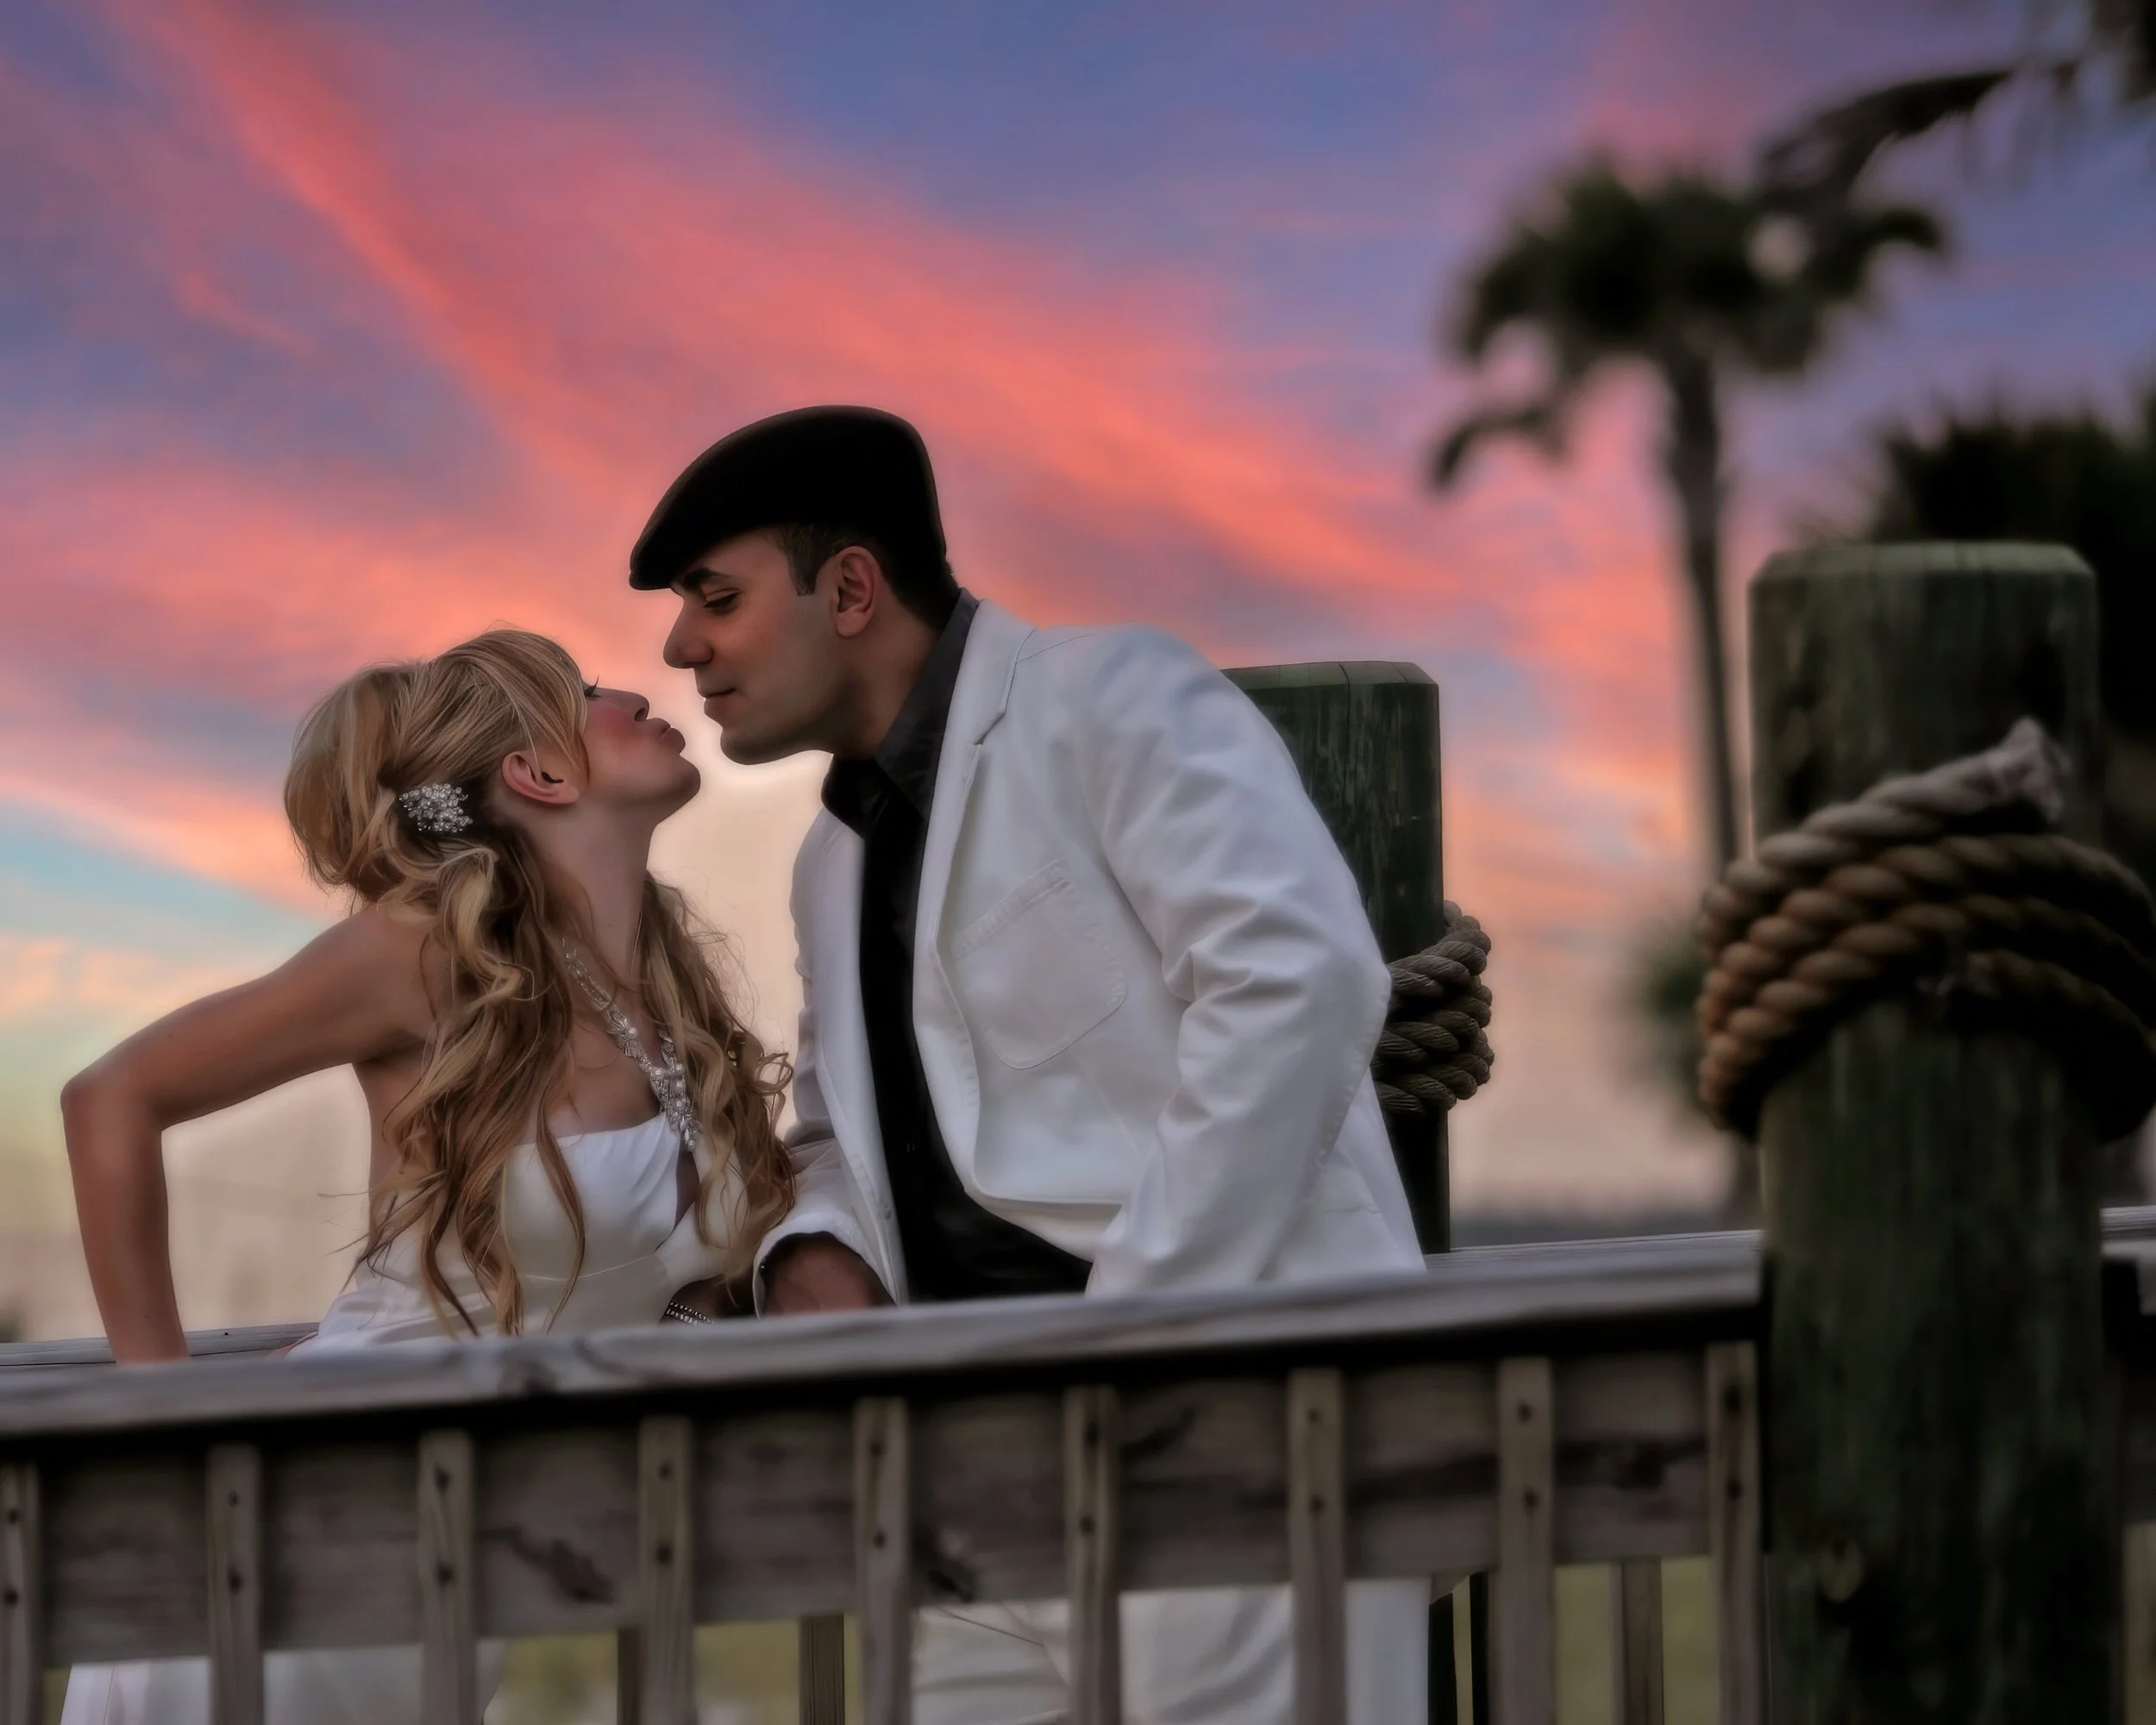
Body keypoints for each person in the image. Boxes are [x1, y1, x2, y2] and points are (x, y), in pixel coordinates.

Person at [636, 406, 1429, 1724]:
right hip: (967, 1495)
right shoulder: (829, 859)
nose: (680, 647)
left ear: (850, 589)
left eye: (714, 599)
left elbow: (1295, 981)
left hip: (1225, 1448)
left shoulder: (1110, 695)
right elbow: (845, 1135)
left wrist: (1127, 1333)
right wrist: (813, 1256)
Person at [57, 628, 792, 1723]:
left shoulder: (666, 987)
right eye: (588, 692)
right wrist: (168, 1413)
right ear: (536, 773)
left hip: (474, 1544)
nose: (639, 689)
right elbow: (108, 1098)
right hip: (297, 1522)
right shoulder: (421, 952)